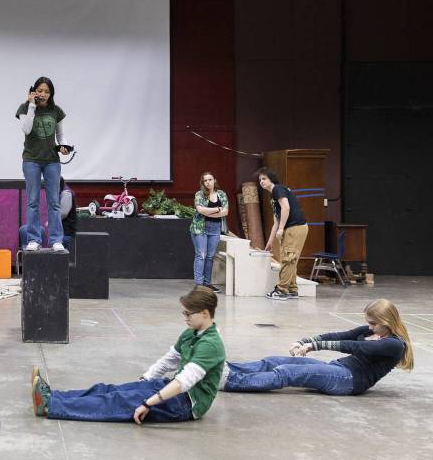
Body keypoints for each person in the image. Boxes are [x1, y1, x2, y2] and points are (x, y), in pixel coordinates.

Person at [31, 287, 225, 424]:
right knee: (108, 389)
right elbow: (168, 361)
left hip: (186, 404)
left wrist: (148, 402)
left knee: (118, 401)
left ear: (205, 313)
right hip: (172, 389)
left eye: (189, 313)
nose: (185, 317)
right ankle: (53, 396)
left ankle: (51, 406)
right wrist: (145, 380)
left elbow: (184, 382)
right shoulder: (190, 333)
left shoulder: (210, 345)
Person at [222, 298, 413, 396]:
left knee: (287, 372)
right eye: (368, 323)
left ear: (387, 321)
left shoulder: (395, 345)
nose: (369, 327)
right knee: (274, 360)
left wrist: (314, 346)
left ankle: (229, 381)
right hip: (339, 368)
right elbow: (341, 335)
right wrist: (306, 341)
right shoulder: (374, 332)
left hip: (348, 381)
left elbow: (352, 346)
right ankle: (225, 369)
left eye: (373, 323)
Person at [16, 76, 69, 253]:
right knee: (33, 201)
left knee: (54, 201)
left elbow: (60, 136)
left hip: (52, 161)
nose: (43, 94)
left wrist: (64, 146)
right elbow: (26, 129)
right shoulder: (25, 108)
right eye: (40, 90)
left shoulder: (57, 111)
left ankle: (55, 240)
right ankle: (33, 239)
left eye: (47, 91)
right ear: (34, 91)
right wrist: (32, 105)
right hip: (31, 160)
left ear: (51, 93)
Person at [257, 168, 306, 300]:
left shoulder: (278, 189)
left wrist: (282, 229)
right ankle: (292, 289)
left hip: (294, 227)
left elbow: (286, 207)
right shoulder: (273, 195)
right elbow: (276, 222)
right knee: (290, 259)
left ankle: (282, 290)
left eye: (264, 179)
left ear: (271, 179)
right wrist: (270, 241)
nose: (261, 181)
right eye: (260, 179)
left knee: (288, 259)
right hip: (290, 228)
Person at [190, 171, 229, 293]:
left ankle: (207, 284)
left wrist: (210, 211)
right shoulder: (199, 194)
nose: (208, 182)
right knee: (201, 255)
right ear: (203, 183)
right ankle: (198, 284)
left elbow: (226, 212)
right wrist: (217, 209)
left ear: (214, 180)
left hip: (215, 228)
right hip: (200, 227)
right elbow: (200, 210)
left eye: (210, 179)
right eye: (205, 180)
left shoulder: (221, 194)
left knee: (210, 256)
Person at [19, 176, 76, 252]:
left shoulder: (66, 194)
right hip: (61, 235)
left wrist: (51, 221)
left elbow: (64, 213)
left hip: (66, 234)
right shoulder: (57, 196)